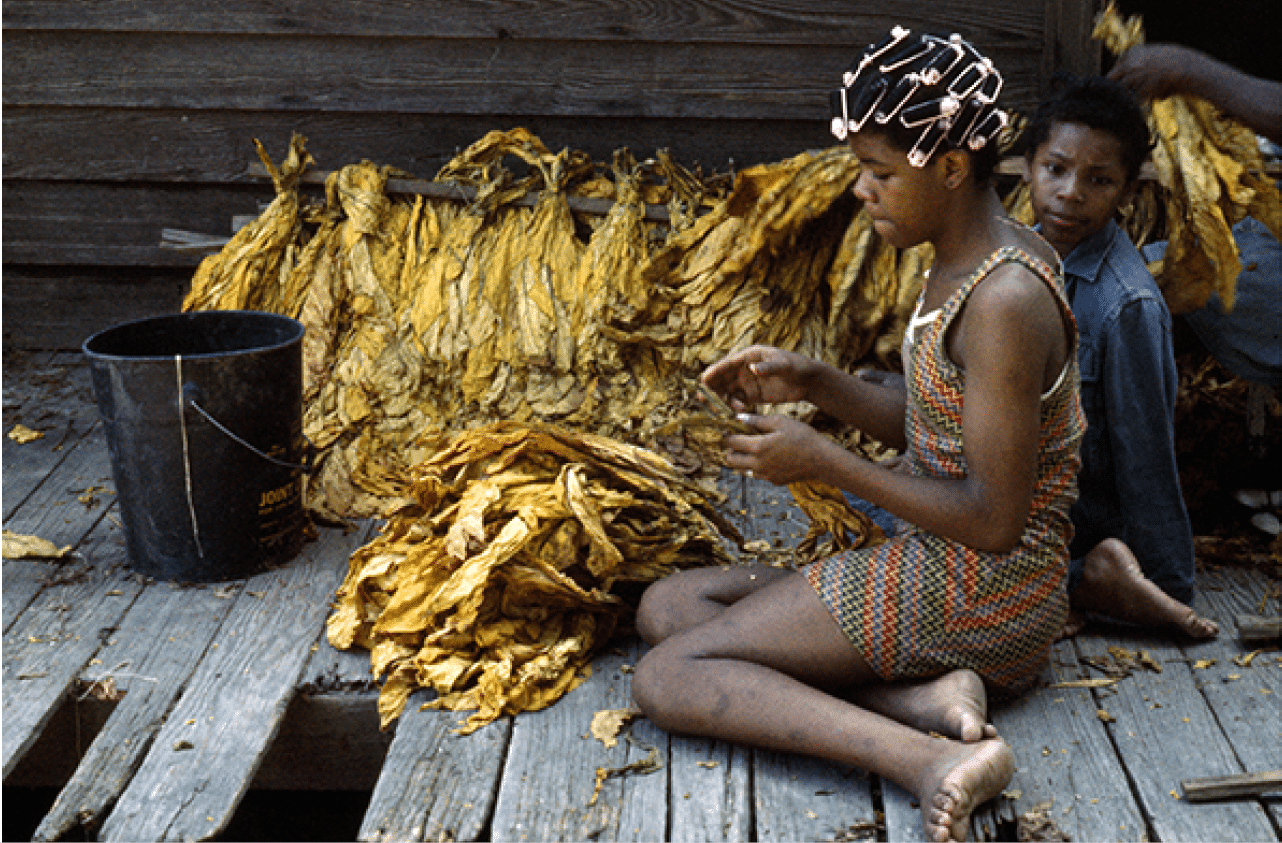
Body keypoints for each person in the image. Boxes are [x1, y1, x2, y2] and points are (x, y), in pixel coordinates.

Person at [631, 28, 1082, 843]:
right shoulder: (964, 254)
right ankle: (926, 699)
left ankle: (924, 760)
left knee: (668, 675)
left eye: (880, 172)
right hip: (949, 559)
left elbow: (994, 516)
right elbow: (943, 423)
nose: (863, 192)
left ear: (949, 168)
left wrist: (824, 459)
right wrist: (818, 383)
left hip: (989, 585)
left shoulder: (1006, 299)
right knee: (672, 604)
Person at [1020, 75, 1219, 639]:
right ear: (1029, 165)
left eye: (1099, 180)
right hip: (1016, 491)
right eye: (1055, 169)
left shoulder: (1125, 305)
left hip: (1072, 519)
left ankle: (1093, 579)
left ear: (1129, 191)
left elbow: (1145, 453)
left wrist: (1165, 583)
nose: (1070, 193)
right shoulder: (1017, 258)